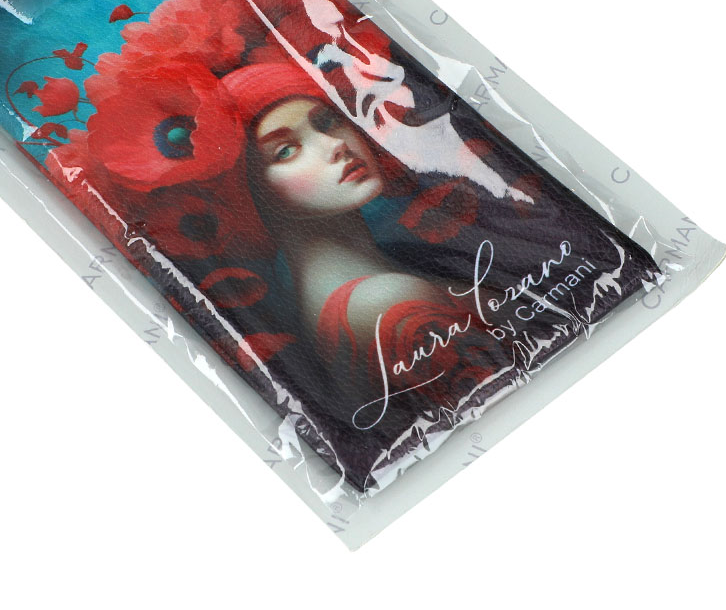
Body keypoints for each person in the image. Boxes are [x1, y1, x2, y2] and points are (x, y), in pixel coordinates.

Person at [222, 62, 518, 432]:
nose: (335, 145)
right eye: (285, 151)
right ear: (248, 192)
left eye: (327, 122)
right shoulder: (381, 301)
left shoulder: (360, 281)